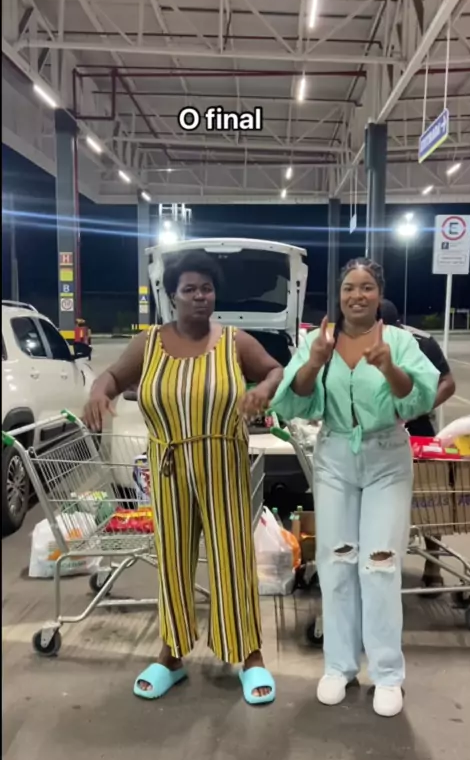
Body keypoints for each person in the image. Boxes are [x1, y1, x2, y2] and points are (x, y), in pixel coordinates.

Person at [83, 250, 283, 705]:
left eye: (206, 288)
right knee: (172, 559)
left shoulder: (234, 342)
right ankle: (171, 654)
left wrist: (263, 390)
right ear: (172, 296)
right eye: (189, 289)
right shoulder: (149, 343)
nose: (199, 296)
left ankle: (250, 655)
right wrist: (98, 391)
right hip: (169, 466)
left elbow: (274, 369)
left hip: (223, 465)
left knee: (232, 559)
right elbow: (111, 376)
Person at [272, 259, 439, 717]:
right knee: (336, 560)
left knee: (380, 564)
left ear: (379, 294)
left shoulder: (399, 341)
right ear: (339, 293)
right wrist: (315, 361)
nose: (357, 295)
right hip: (335, 456)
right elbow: (293, 399)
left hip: (386, 456)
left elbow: (419, 398)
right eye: (349, 287)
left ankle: (387, 674)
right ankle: (339, 666)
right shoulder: (319, 339)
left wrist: (389, 367)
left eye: (367, 287)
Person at [380, 300, 456, 591]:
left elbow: (448, 382)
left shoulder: (422, 343)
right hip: (377, 429)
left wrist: (421, 406)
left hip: (418, 428)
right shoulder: (357, 341)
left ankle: (433, 562)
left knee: (428, 493)